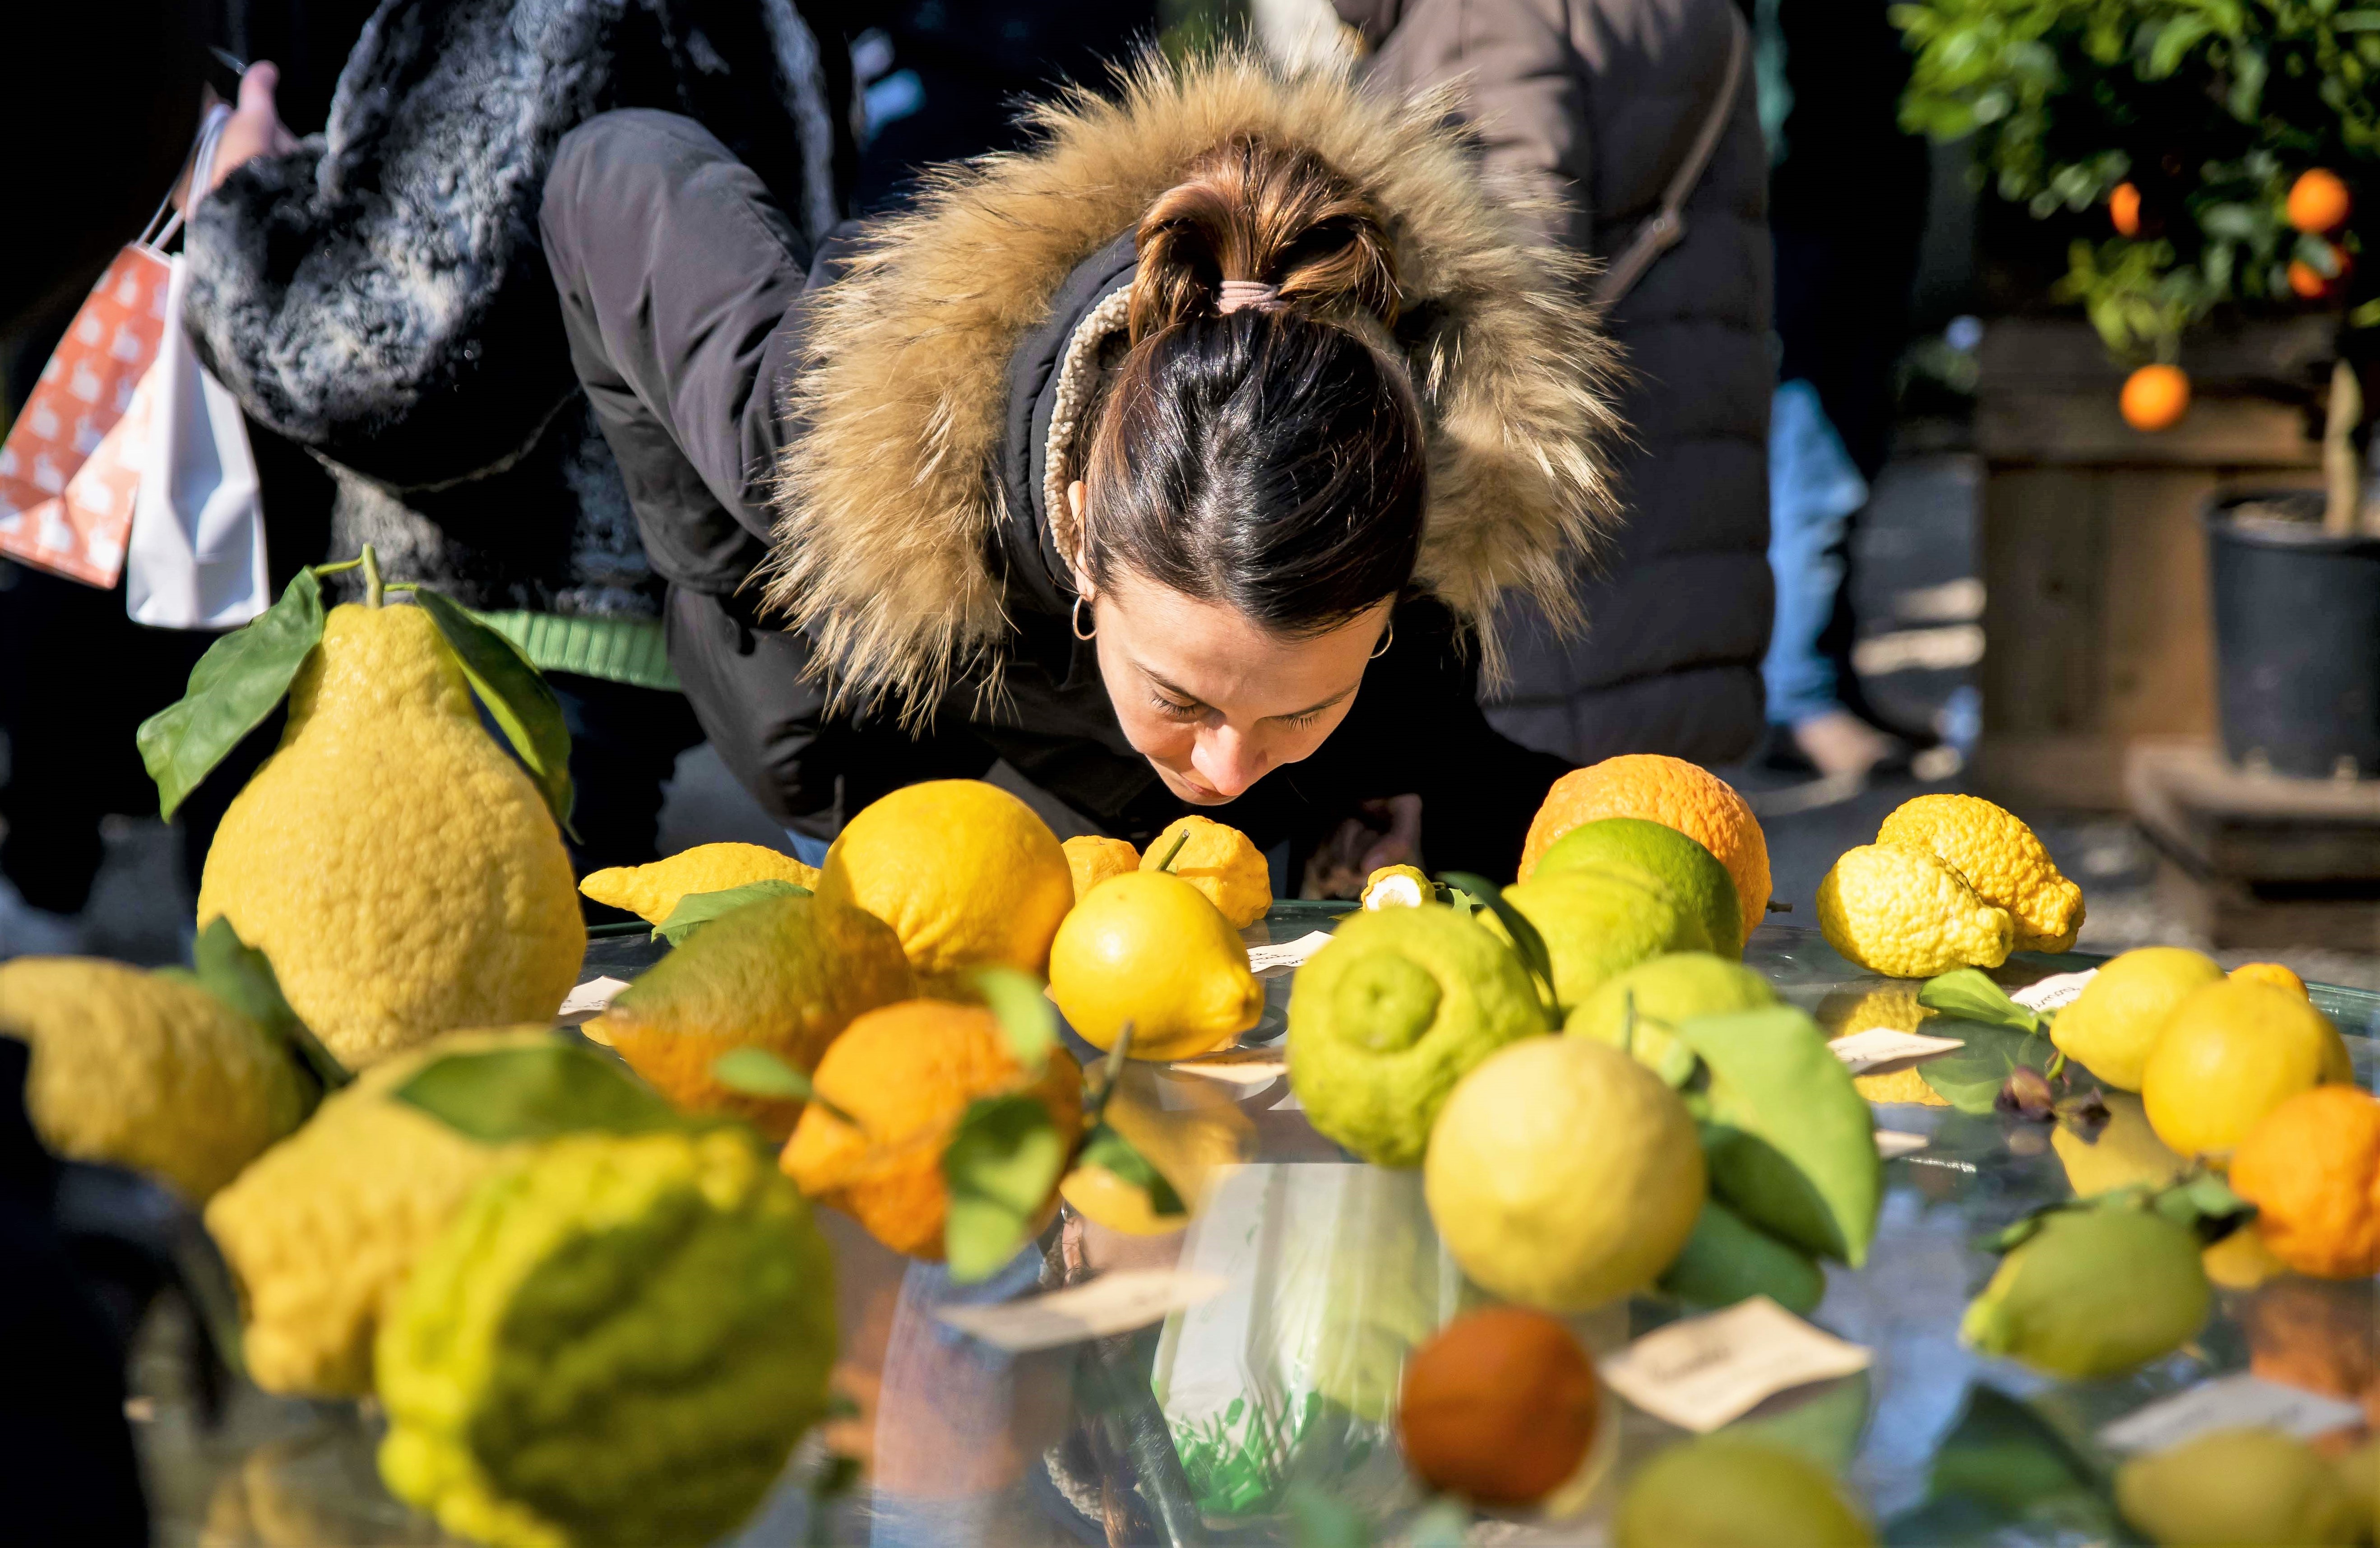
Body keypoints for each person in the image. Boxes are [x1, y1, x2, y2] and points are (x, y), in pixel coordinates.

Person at [538, 55, 1624, 888]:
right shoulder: (828, 424)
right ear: (1076, 516)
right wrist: (739, 562)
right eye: (1181, 695)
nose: (1229, 767)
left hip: (1186, 907)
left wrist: (1408, 782)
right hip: (887, 805)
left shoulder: (1416, 484)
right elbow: (614, 171)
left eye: (1305, 707)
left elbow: (1423, 714)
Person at [181, 0, 856, 904]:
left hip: (494, 632)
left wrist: (239, 208)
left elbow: (382, 362)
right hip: (658, 615)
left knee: (444, 1009)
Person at [1326, 0, 1775, 770]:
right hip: (1680, 515)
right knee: (1668, 845)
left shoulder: (1481, 16)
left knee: (1558, 853)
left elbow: (1511, 288)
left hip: (1551, 584)